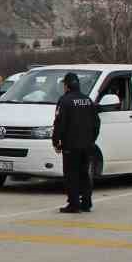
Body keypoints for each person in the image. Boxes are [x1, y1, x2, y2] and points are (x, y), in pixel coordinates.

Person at [52, 71, 100, 214]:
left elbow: (59, 123)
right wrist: (92, 139)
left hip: (71, 146)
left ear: (66, 85)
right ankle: (86, 202)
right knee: (84, 173)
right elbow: (96, 123)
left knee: (71, 175)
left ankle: (74, 204)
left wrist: (56, 141)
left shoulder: (64, 101)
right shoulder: (88, 100)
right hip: (87, 145)